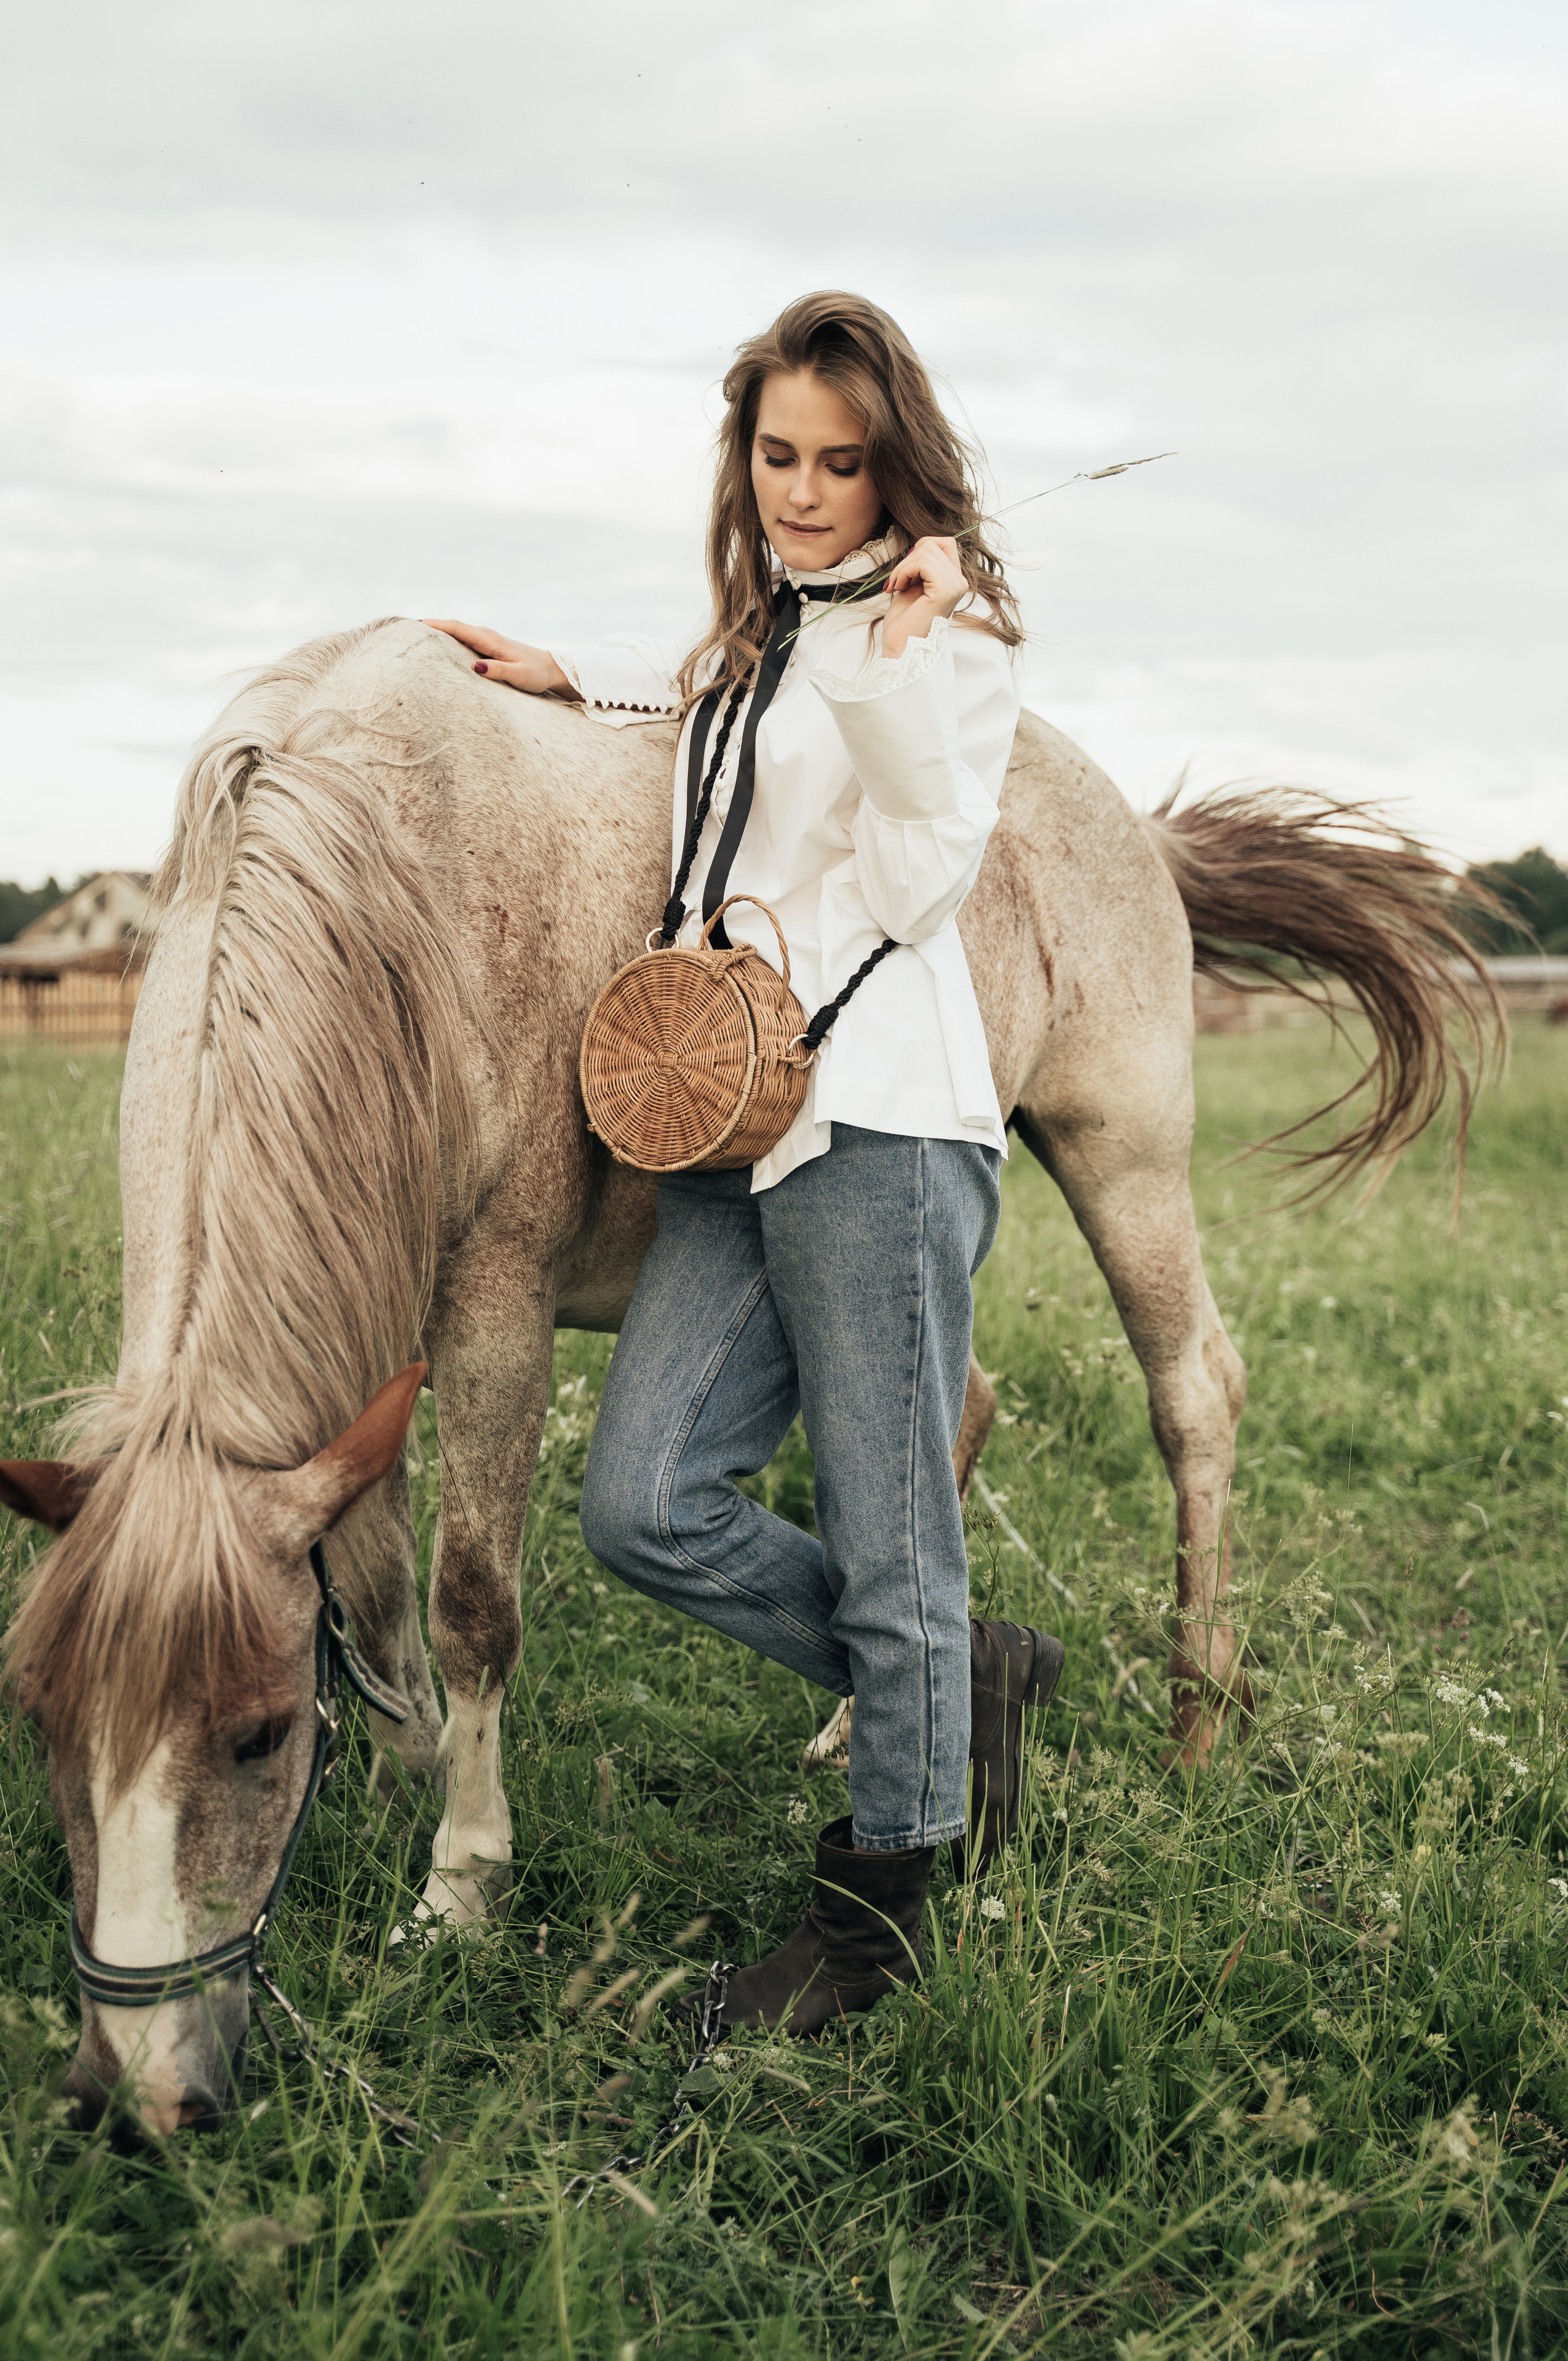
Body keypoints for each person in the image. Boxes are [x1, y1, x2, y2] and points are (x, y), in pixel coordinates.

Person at [426, 290, 1063, 2035]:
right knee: (643, 1505)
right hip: (729, 1125)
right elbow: (724, 714)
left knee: (888, 1529)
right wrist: (580, 679)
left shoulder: (955, 648)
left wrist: (899, 643)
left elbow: (927, 872)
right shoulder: (765, 631)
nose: (803, 492)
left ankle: (876, 1931)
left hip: (874, 1129)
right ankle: (962, 1684)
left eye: (841, 465)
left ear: (895, 471)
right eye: (778, 456)